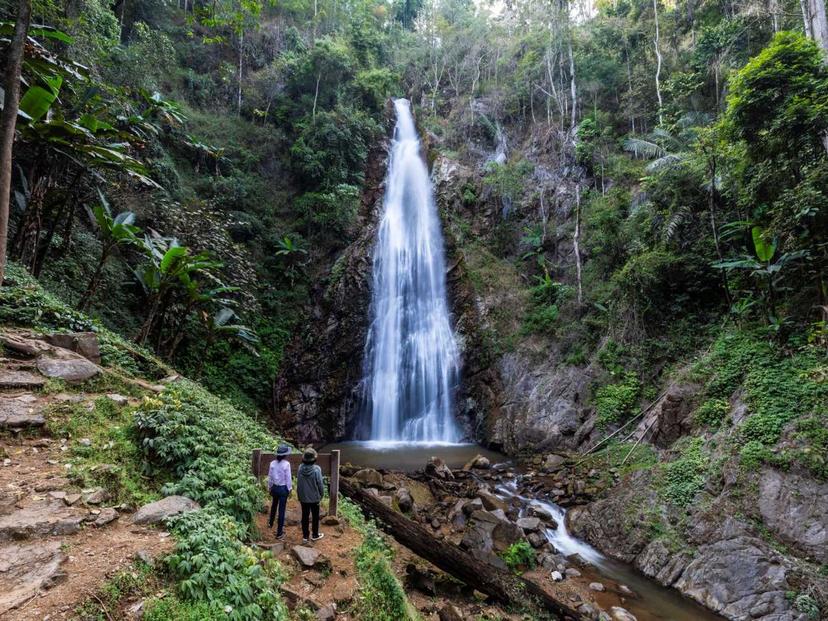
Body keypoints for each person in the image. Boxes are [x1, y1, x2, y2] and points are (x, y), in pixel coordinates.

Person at [296, 447, 325, 544]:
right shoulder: (317, 470)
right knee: (315, 516)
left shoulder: (300, 468)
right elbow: (320, 484)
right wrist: (321, 494)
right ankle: (315, 535)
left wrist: (299, 495)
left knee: (305, 516)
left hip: (303, 497)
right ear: (314, 459)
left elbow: (299, 483)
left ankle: (305, 536)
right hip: (314, 498)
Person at [267, 444, 292, 539]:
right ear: (285, 455)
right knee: (281, 510)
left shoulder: (272, 463)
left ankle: (270, 522)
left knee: (274, 505)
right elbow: (288, 478)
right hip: (283, 488)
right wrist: (289, 489)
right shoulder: (286, 464)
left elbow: (270, 477)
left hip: (275, 487)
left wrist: (269, 487)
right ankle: (279, 533)